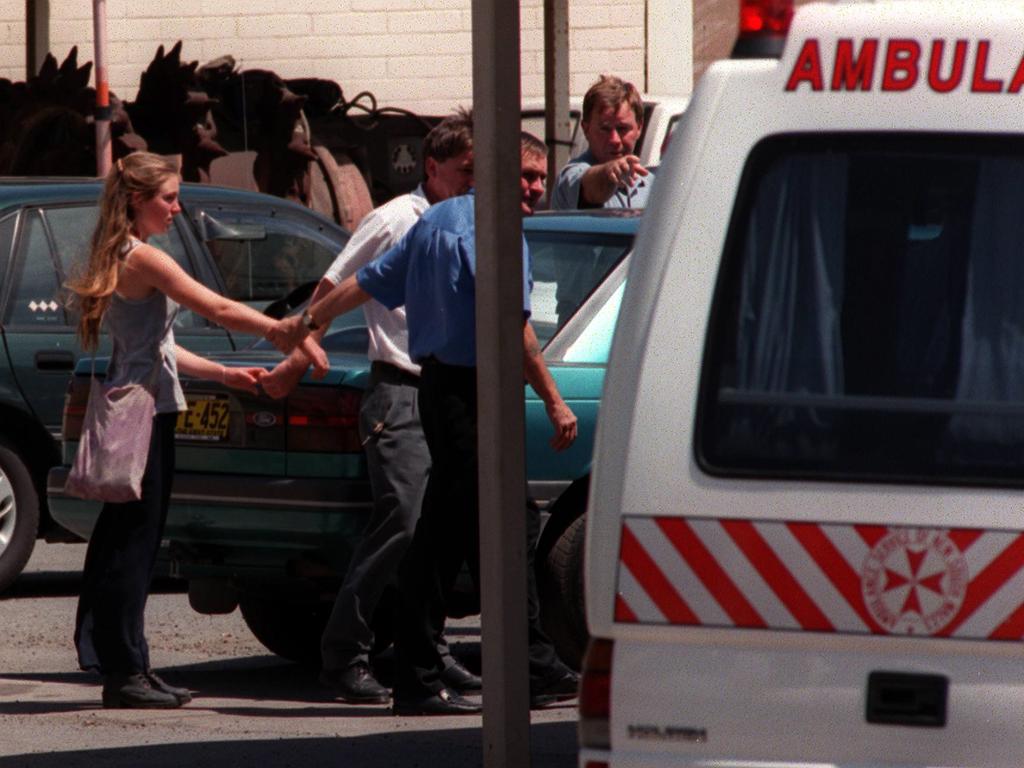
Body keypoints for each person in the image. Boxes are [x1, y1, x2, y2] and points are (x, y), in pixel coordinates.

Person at [274, 133, 580, 716]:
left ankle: (473, 664)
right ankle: (510, 665)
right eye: (526, 177)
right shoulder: (484, 230)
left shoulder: (435, 222)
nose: (537, 189)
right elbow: (514, 328)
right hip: (468, 391)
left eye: (542, 178)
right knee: (479, 532)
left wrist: (307, 320)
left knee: (460, 532)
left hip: (443, 388)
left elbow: (367, 283)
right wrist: (554, 400)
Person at [66, 151, 325, 709]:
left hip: (142, 404)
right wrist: (280, 329)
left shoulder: (122, 252)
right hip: (141, 415)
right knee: (132, 545)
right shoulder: (142, 257)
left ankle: (130, 664)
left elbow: (156, 346)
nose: (177, 207)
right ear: (137, 199)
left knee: (128, 540)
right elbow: (217, 305)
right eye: (169, 197)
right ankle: (124, 673)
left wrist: (225, 371)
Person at [261, 109, 482, 704]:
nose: (474, 181)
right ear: (430, 167)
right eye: (465, 170)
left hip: (444, 391)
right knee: (402, 524)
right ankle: (345, 654)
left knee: (439, 532)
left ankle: (427, 654)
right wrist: (295, 360)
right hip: (400, 390)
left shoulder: (460, 219)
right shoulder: (397, 220)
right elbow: (334, 287)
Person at [551, 74, 653, 209]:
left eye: (622, 129)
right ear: (586, 129)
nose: (614, 140)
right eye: (604, 129)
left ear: (639, 128)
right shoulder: (571, 176)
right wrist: (609, 172)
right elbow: (592, 190)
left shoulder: (652, 185)